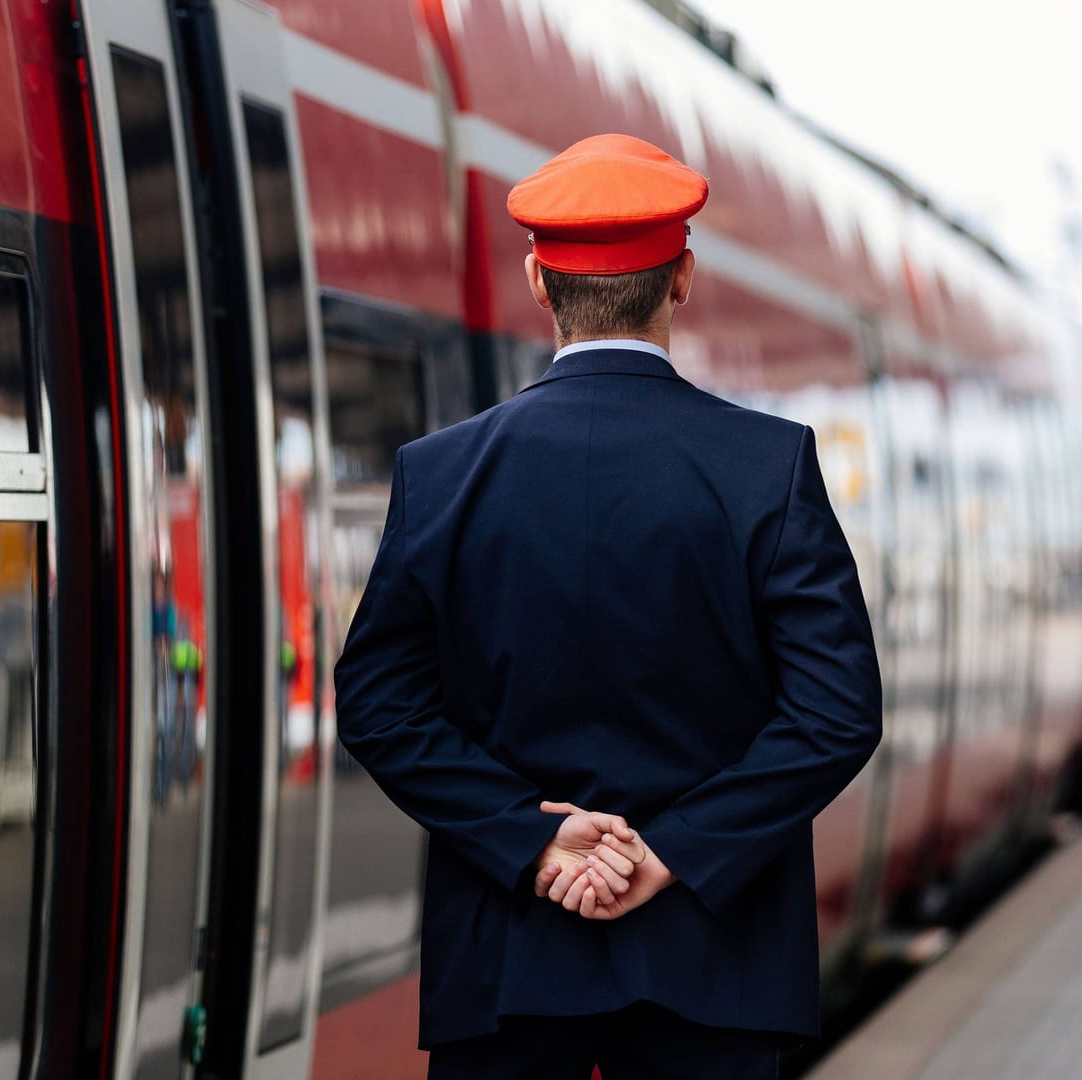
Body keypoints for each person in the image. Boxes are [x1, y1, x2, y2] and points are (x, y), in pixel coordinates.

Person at [334, 134, 882, 1079]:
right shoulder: (768, 467)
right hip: (714, 966)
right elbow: (837, 713)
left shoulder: (443, 474)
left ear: (540, 283)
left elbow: (378, 704)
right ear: (683, 279)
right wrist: (671, 853)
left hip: (506, 961)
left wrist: (534, 839)